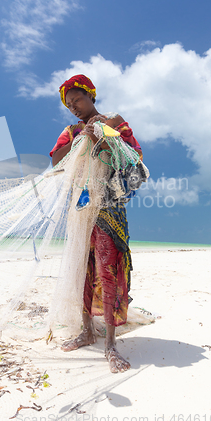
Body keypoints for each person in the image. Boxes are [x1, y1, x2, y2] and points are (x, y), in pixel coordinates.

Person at [50, 74, 142, 373]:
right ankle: (87, 330)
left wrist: (101, 134)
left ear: (91, 95)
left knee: (108, 267)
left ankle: (111, 343)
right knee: (82, 268)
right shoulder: (71, 130)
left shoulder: (115, 122)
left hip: (109, 206)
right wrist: (81, 138)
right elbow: (56, 161)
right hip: (81, 206)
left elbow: (134, 157)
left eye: (77, 100)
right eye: (69, 104)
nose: (73, 107)